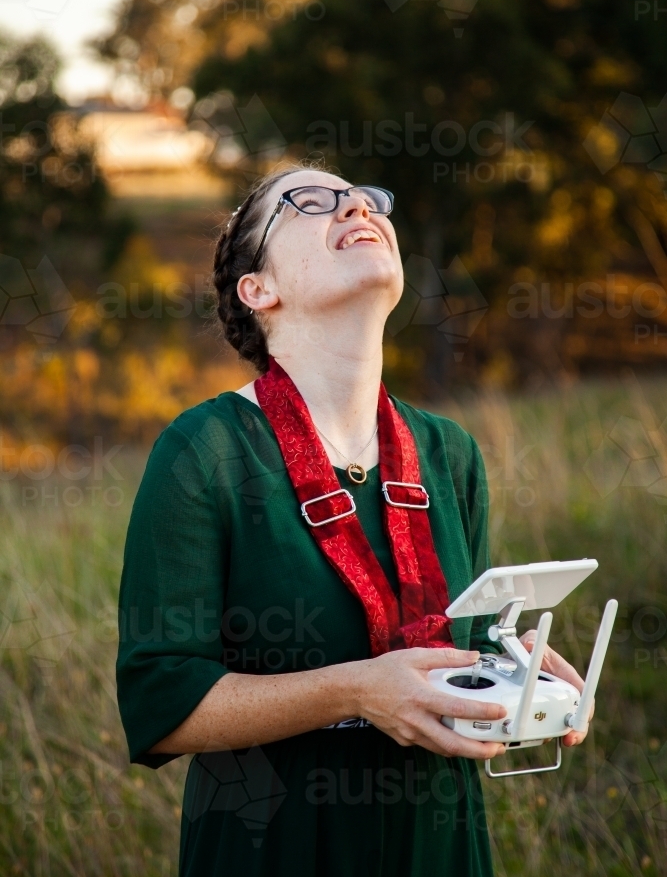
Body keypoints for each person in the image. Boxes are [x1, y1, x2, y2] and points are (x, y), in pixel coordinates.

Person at [116, 164, 590, 877]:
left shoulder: (447, 452)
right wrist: (356, 690)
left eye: (367, 199)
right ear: (258, 290)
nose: (356, 207)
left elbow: (450, 643)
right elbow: (163, 702)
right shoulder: (203, 450)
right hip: (275, 849)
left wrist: (509, 667)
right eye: (311, 202)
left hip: (440, 846)